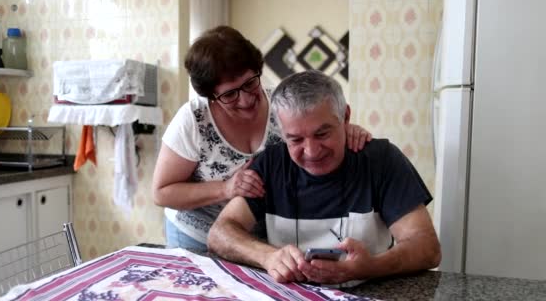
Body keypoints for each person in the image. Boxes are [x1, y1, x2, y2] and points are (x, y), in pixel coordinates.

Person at [207, 70, 441, 287]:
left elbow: (427, 247)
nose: (311, 151)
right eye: (295, 140)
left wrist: (370, 267)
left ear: (346, 117)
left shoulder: (382, 160)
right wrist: (267, 256)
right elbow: (220, 233)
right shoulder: (270, 165)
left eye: (322, 133)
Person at [152, 26, 372, 252]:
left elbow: (318, 124)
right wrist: (225, 189)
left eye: (250, 83)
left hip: (258, 238)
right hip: (195, 235)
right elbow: (161, 192)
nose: (246, 100)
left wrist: (346, 129)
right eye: (230, 94)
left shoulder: (282, 105)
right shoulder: (193, 120)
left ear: (258, 70)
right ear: (212, 96)